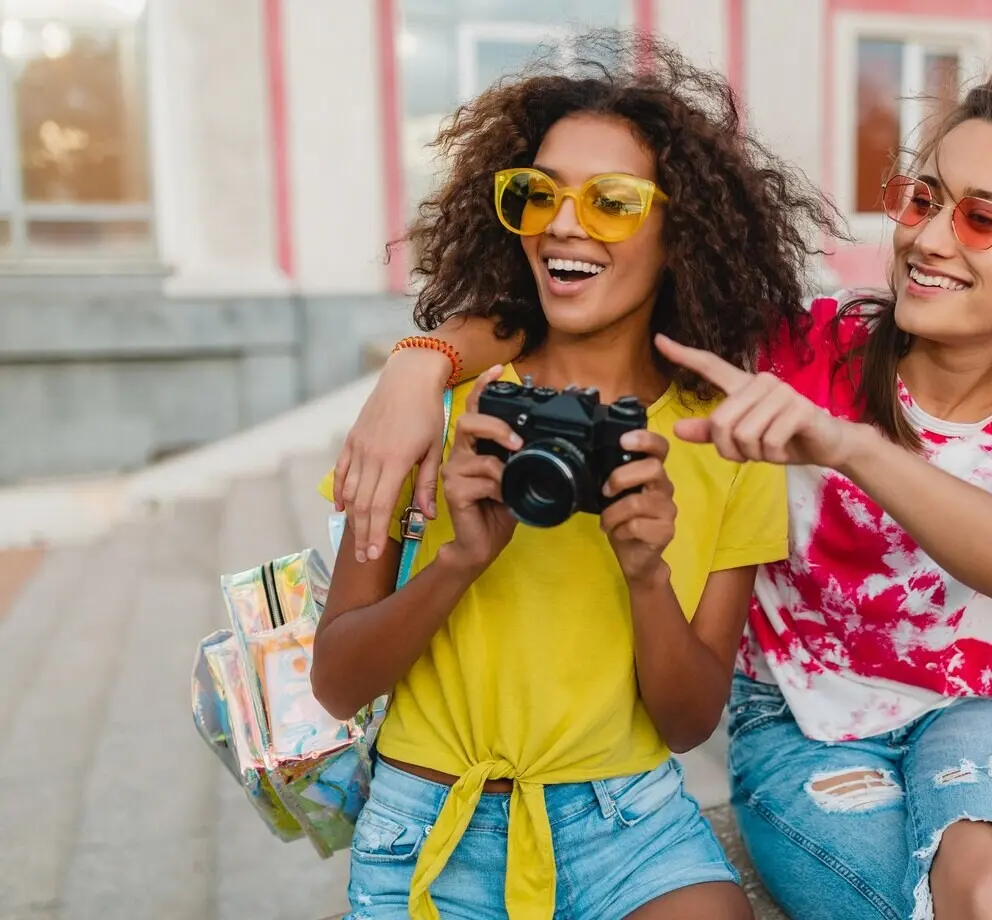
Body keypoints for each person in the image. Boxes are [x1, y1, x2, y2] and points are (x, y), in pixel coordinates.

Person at [332, 53, 992, 920]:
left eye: (982, 220)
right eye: (923, 200)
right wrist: (420, 361)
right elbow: (590, 301)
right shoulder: (808, 348)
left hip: (972, 711)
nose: (928, 239)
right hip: (800, 721)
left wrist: (850, 448)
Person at [311, 31, 843, 920]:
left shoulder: (724, 441)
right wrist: (457, 560)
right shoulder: (438, 408)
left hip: (628, 827)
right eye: (539, 194)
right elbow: (336, 682)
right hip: (427, 822)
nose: (563, 223)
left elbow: (687, 724)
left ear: (680, 234)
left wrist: (646, 575)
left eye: (612, 202)